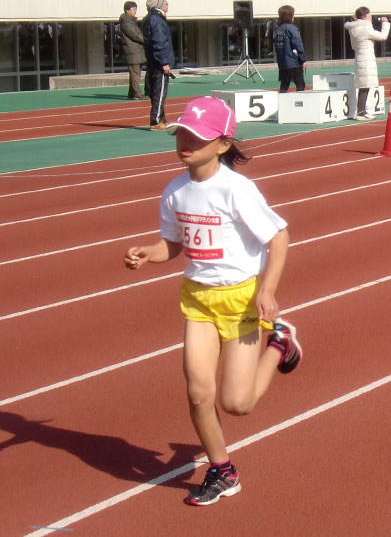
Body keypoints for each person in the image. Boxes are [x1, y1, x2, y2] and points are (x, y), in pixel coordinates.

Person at [123, 96, 300, 506]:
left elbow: (279, 237)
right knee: (198, 392)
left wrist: (267, 290)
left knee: (237, 404)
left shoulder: (237, 190)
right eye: (182, 134)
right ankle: (222, 469)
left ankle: (280, 343)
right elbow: (174, 244)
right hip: (198, 301)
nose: (186, 142)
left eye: (197, 137)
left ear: (223, 144)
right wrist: (150, 253)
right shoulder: (175, 192)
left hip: (240, 302)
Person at [344, 6, 390, 121]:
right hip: (367, 57)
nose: (371, 16)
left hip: (359, 56)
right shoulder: (366, 28)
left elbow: (354, 46)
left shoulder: (353, 28)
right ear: (364, 16)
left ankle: (362, 111)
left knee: (364, 85)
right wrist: (385, 24)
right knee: (365, 86)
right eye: (369, 14)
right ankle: (361, 112)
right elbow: (383, 36)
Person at [142, 0, 174, 130]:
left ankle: (161, 119)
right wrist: (164, 62)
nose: (167, 5)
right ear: (159, 5)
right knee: (159, 92)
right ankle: (155, 121)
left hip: (153, 62)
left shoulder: (150, 18)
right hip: (158, 63)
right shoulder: (156, 20)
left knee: (158, 92)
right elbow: (159, 42)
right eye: (165, 3)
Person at [272, 5, 306, 93]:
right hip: (293, 62)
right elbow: (298, 44)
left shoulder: (277, 30)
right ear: (290, 16)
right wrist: (302, 59)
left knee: (284, 86)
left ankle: (281, 104)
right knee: (300, 85)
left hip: (282, 64)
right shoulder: (292, 28)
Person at [118, 1, 145, 100]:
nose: (135, 11)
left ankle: (132, 93)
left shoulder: (130, 21)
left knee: (135, 73)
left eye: (135, 9)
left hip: (135, 50)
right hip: (132, 50)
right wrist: (146, 40)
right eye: (133, 9)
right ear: (127, 10)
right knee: (135, 73)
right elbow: (134, 34)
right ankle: (137, 94)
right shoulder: (126, 22)